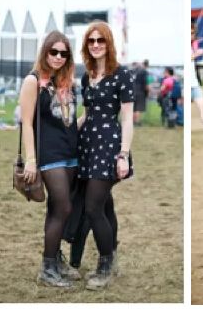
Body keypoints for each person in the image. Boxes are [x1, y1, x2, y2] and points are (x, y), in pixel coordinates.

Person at [76, 21, 134, 290]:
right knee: (105, 205)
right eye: (91, 41)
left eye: (101, 40)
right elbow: (87, 114)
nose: (96, 45)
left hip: (109, 146)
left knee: (92, 208)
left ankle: (105, 263)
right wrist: (63, 131)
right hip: (87, 144)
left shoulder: (122, 75)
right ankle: (113, 254)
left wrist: (123, 154)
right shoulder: (86, 76)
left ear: (109, 43)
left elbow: (127, 118)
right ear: (86, 45)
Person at [19, 30, 79, 287]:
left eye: (63, 53)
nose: (58, 57)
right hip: (49, 155)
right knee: (63, 207)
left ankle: (53, 260)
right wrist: (31, 160)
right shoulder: (33, 81)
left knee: (57, 209)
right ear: (45, 52)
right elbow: (27, 124)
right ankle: (47, 267)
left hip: (70, 153)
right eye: (53, 51)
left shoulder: (65, 81)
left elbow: (70, 120)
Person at [133, 59, 150, 126]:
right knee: (138, 108)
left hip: (133, 91)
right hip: (141, 92)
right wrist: (148, 91)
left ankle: (133, 122)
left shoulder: (133, 71)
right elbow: (146, 84)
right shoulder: (144, 72)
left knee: (133, 108)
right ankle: (137, 122)